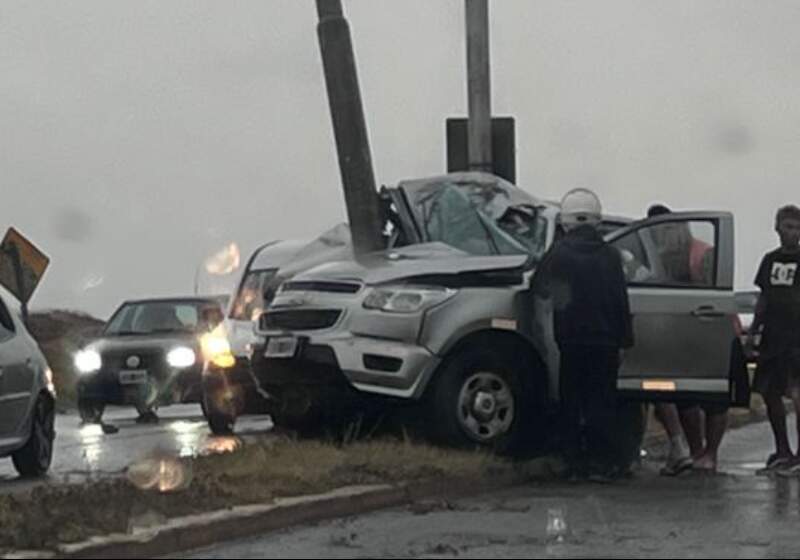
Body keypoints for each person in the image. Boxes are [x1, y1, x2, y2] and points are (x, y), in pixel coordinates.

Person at [538, 188, 634, 481]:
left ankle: (573, 464)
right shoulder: (610, 255)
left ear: (565, 221)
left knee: (572, 401)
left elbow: (540, 287)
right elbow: (621, 300)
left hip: (570, 340)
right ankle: (603, 463)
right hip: (605, 341)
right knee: (601, 402)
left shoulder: (558, 253)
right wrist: (625, 340)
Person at [647, 203, 729, 473]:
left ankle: (708, 453)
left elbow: (710, 295)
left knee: (712, 397)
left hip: (709, 330)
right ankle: (692, 450)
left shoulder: (702, 253)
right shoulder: (658, 257)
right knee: (676, 392)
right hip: (674, 334)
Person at [749, 205, 800, 474]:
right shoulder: (769, 260)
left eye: (797, 228)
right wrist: (754, 331)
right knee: (770, 392)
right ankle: (782, 449)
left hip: (796, 336)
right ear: (777, 227)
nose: (792, 233)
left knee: (796, 391)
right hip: (773, 335)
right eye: (788, 226)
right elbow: (764, 298)